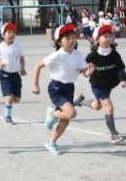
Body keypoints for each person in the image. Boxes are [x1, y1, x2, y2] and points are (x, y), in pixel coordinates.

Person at [32, 24, 94, 155]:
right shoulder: (57, 55)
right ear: (60, 42)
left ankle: (51, 142)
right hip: (56, 87)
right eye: (67, 38)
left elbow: (84, 73)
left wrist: (90, 72)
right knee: (71, 113)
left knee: (65, 120)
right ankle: (52, 114)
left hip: (69, 88)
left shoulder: (78, 55)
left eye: (73, 37)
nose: (72, 40)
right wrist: (35, 85)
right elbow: (38, 65)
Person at [73, 24, 126, 144]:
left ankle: (80, 101)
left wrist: (123, 79)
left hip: (109, 85)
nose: (108, 39)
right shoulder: (92, 56)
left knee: (97, 106)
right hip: (97, 85)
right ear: (97, 39)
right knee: (108, 106)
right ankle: (114, 135)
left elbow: (120, 68)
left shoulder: (114, 54)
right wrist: (87, 72)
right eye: (105, 36)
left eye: (110, 36)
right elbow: (83, 70)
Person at [0, 23, 26, 125]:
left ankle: (9, 107)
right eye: (9, 32)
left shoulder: (18, 45)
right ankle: (7, 116)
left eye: (13, 32)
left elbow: (21, 57)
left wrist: (22, 69)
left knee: (17, 100)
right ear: (3, 34)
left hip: (16, 74)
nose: (12, 34)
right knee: (10, 97)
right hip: (5, 74)